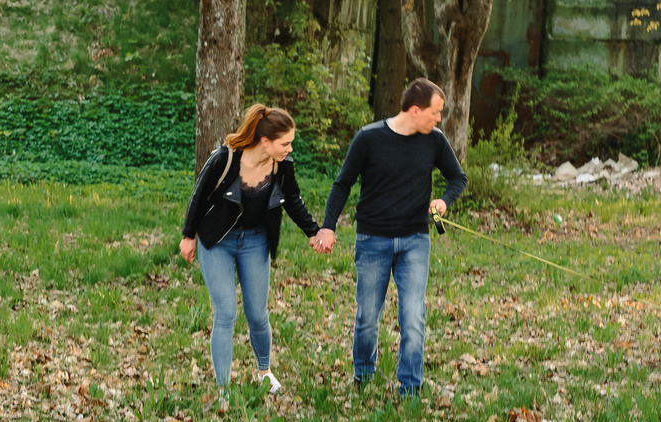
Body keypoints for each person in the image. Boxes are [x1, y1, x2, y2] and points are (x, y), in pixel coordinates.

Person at [320, 78, 467, 395]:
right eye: (435, 112)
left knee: (413, 316)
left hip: (415, 241)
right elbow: (342, 184)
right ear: (415, 110)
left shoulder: (434, 141)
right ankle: (363, 375)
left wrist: (443, 201)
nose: (439, 119)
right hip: (373, 241)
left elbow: (457, 178)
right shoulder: (369, 138)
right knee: (368, 318)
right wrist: (328, 226)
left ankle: (410, 388)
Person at [179, 104, 330, 393]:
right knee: (225, 313)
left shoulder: (283, 167)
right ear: (265, 141)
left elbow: (293, 200)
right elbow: (198, 195)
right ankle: (223, 389)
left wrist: (314, 232)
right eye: (285, 143)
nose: (290, 148)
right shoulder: (226, 158)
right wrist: (189, 235)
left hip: (256, 241)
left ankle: (264, 373)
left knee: (258, 314)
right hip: (218, 241)